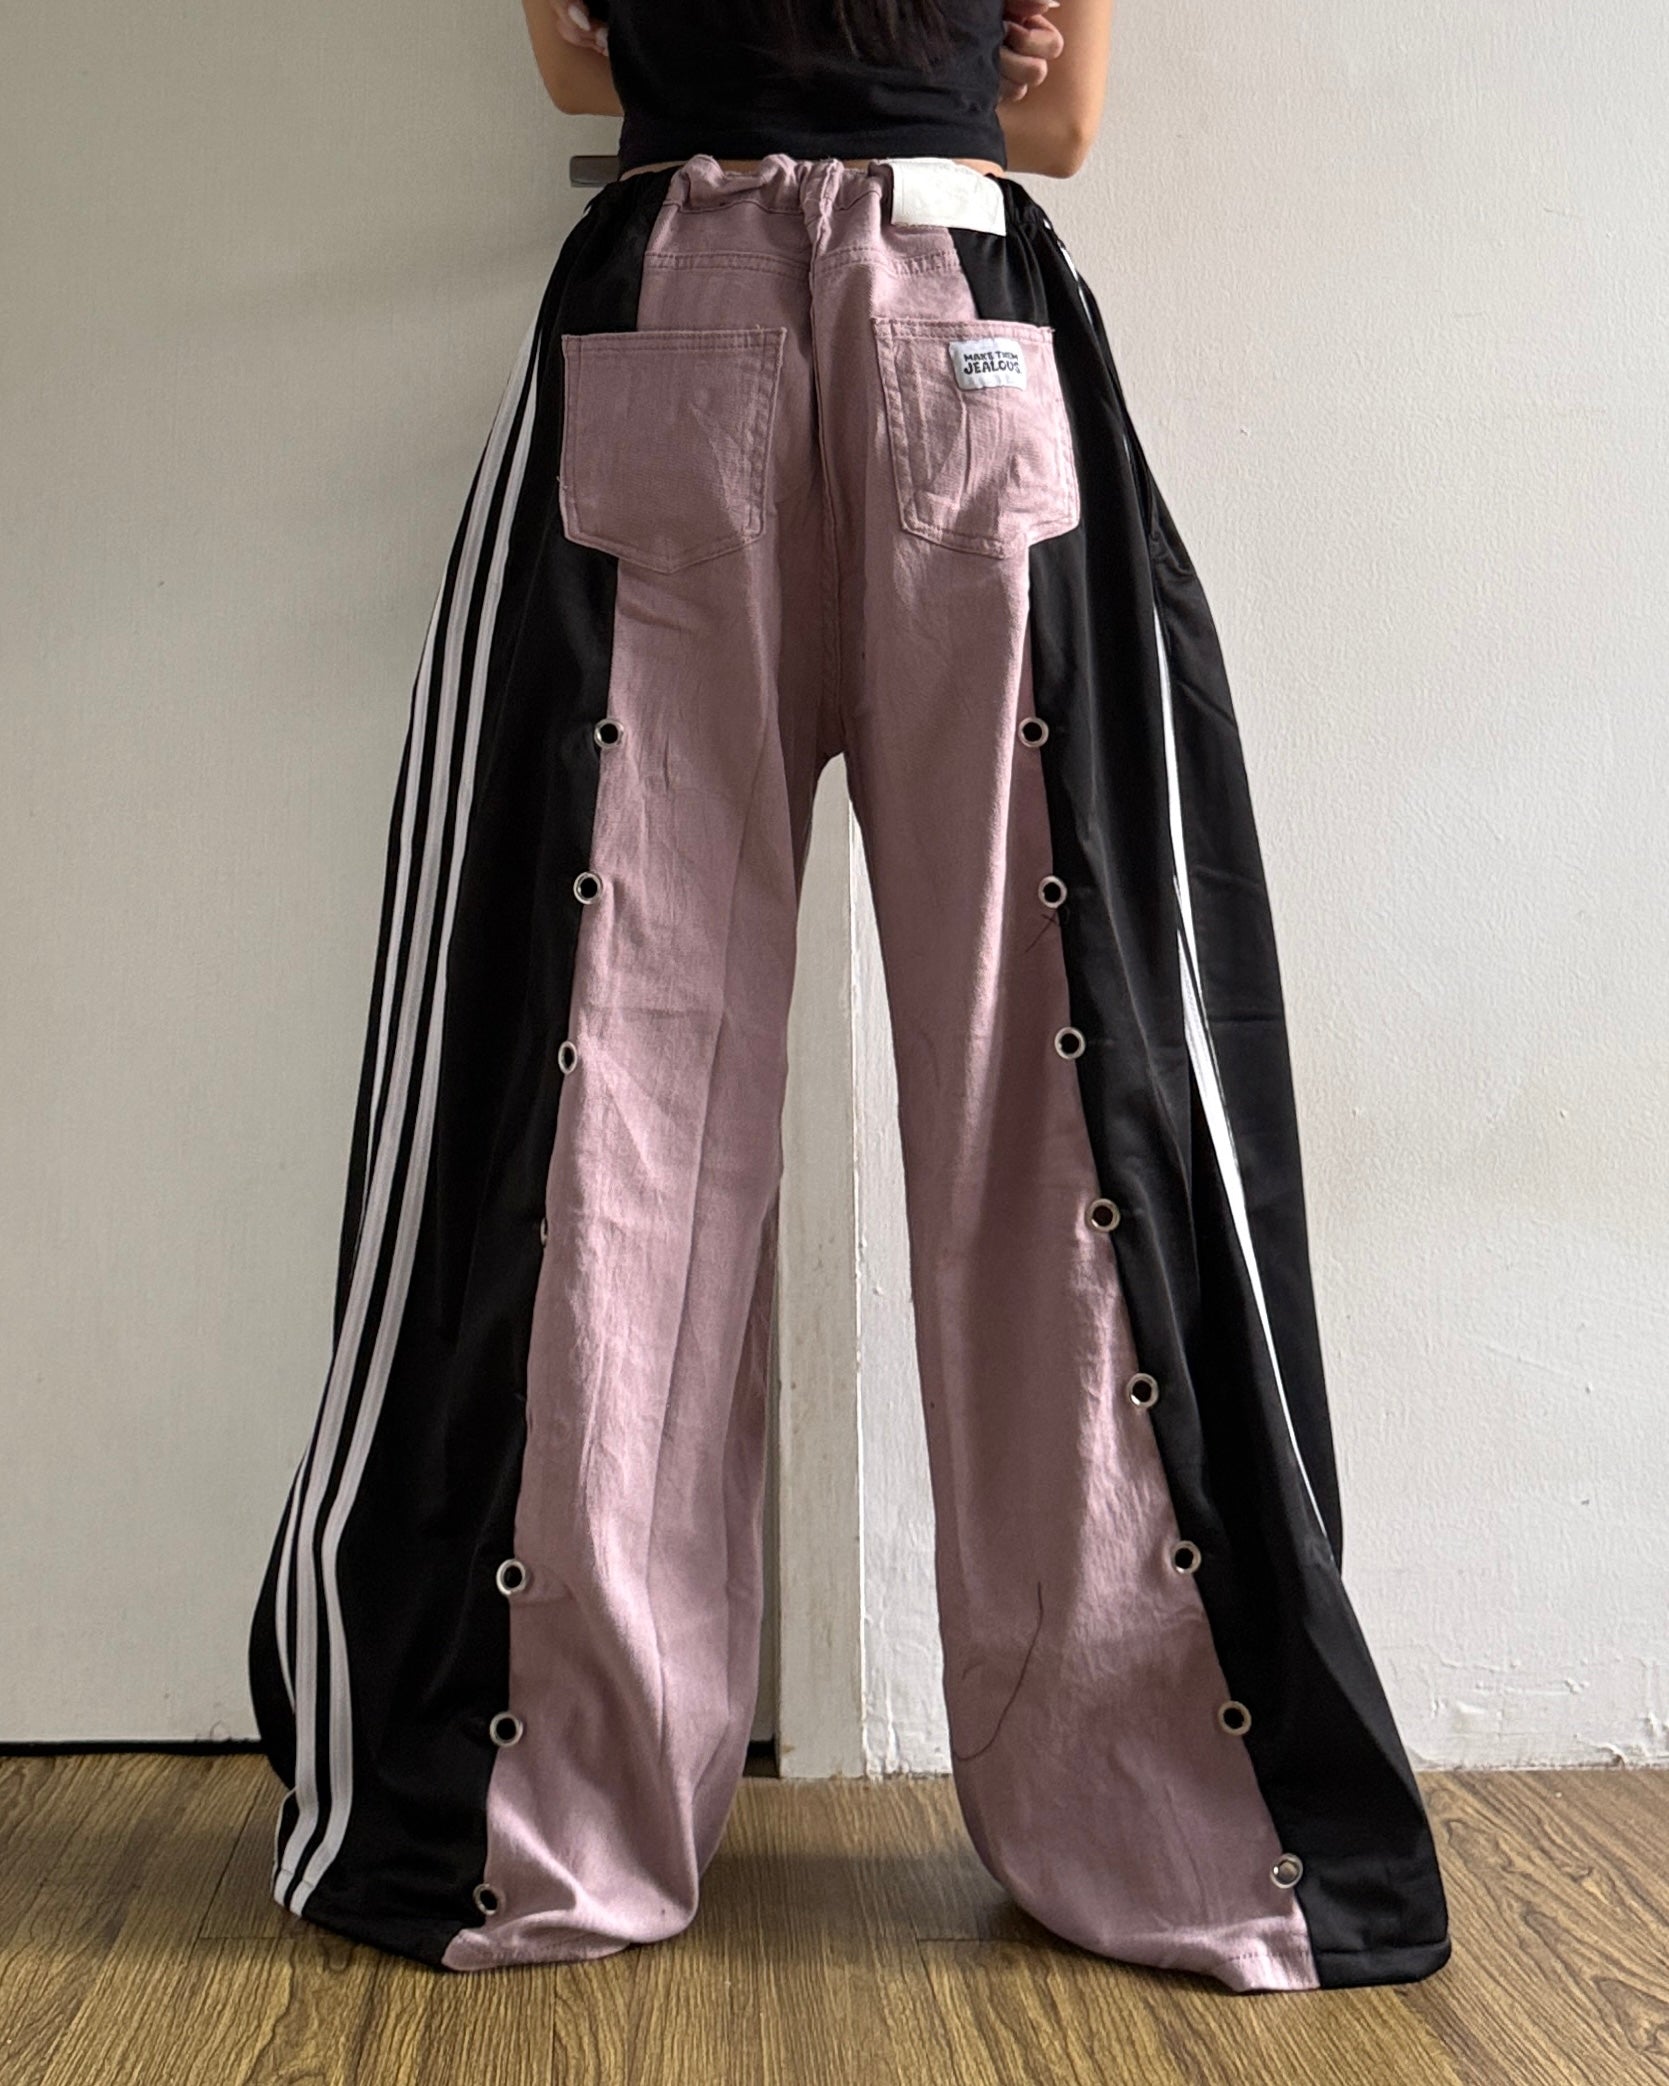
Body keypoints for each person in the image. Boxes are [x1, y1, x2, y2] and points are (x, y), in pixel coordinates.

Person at [246, 0, 1453, 1994]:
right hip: (965, 319)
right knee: (1063, 1069)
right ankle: (1181, 1817)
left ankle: (530, 1818)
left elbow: (576, 67)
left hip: (668, 311)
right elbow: (1056, 122)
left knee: (600, 1067)